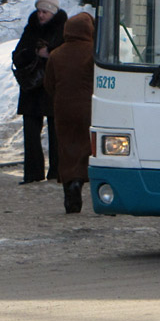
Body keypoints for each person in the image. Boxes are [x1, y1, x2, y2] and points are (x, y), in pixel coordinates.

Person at [11, 0, 67, 185]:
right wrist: (33, 53)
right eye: (39, 11)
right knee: (31, 132)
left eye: (45, 12)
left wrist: (49, 53)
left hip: (52, 85)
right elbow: (17, 55)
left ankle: (57, 172)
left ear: (53, 12)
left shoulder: (62, 29)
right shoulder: (31, 28)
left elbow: (66, 56)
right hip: (32, 86)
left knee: (56, 130)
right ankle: (33, 174)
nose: (41, 15)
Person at [43, 12, 95, 214]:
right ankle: (85, 182)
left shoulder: (56, 54)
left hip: (63, 110)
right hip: (89, 109)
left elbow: (48, 84)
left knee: (67, 149)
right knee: (89, 148)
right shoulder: (94, 52)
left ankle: (70, 190)